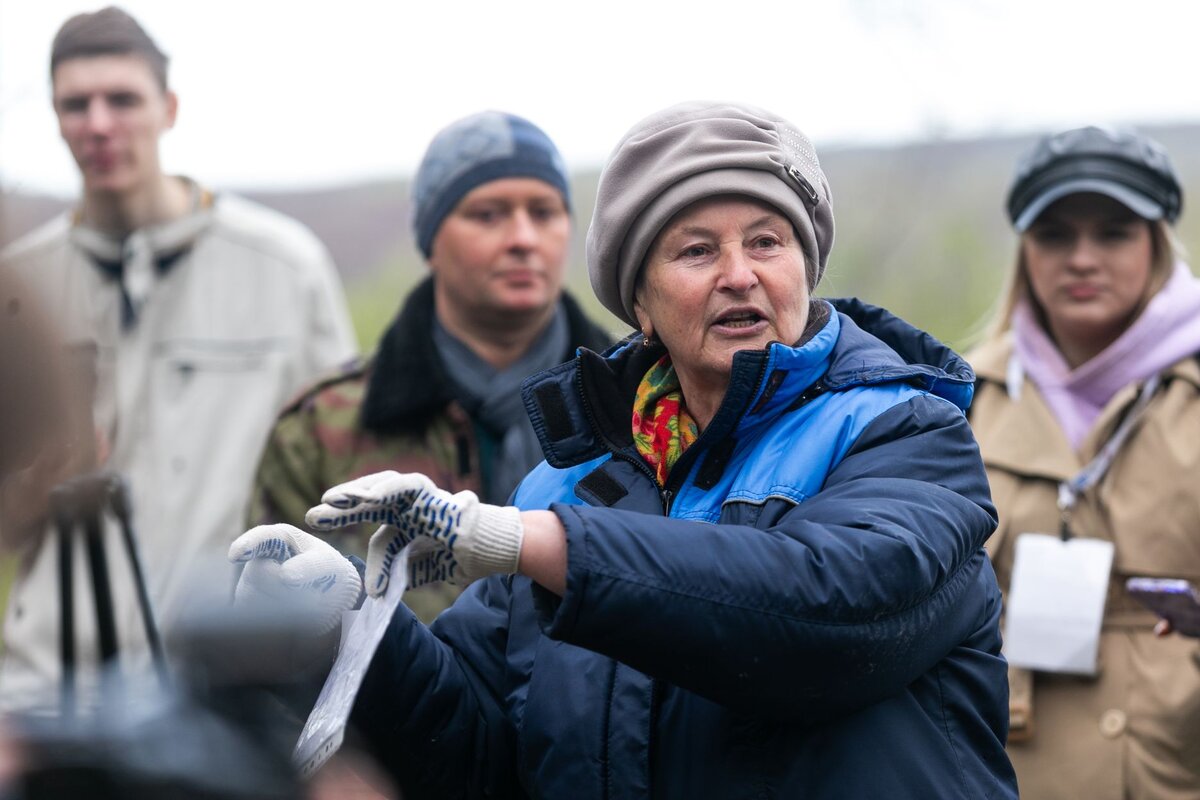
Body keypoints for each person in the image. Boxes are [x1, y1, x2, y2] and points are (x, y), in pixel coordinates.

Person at [233, 102, 1017, 798]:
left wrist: (534, 544)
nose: (739, 275)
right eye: (697, 251)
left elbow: (828, 617)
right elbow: (473, 751)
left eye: (768, 242)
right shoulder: (569, 486)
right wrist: (356, 628)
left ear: (807, 268)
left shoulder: (906, 434)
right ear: (638, 303)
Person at [0, 7, 357, 709]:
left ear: (167, 108)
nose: (99, 123)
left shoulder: (284, 269)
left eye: (122, 99)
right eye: (76, 104)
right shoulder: (20, 289)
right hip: (46, 694)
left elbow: (340, 483)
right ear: (55, 116)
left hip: (228, 688)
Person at [247, 110, 610, 621]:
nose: (524, 238)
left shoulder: (638, 405)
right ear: (429, 239)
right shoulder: (320, 429)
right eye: (488, 214)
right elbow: (273, 637)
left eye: (545, 212)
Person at [967, 126, 1200, 799]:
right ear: (1025, 252)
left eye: (1114, 232)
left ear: (1156, 241)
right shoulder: (958, 402)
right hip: (1006, 772)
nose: (1082, 258)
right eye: (1055, 234)